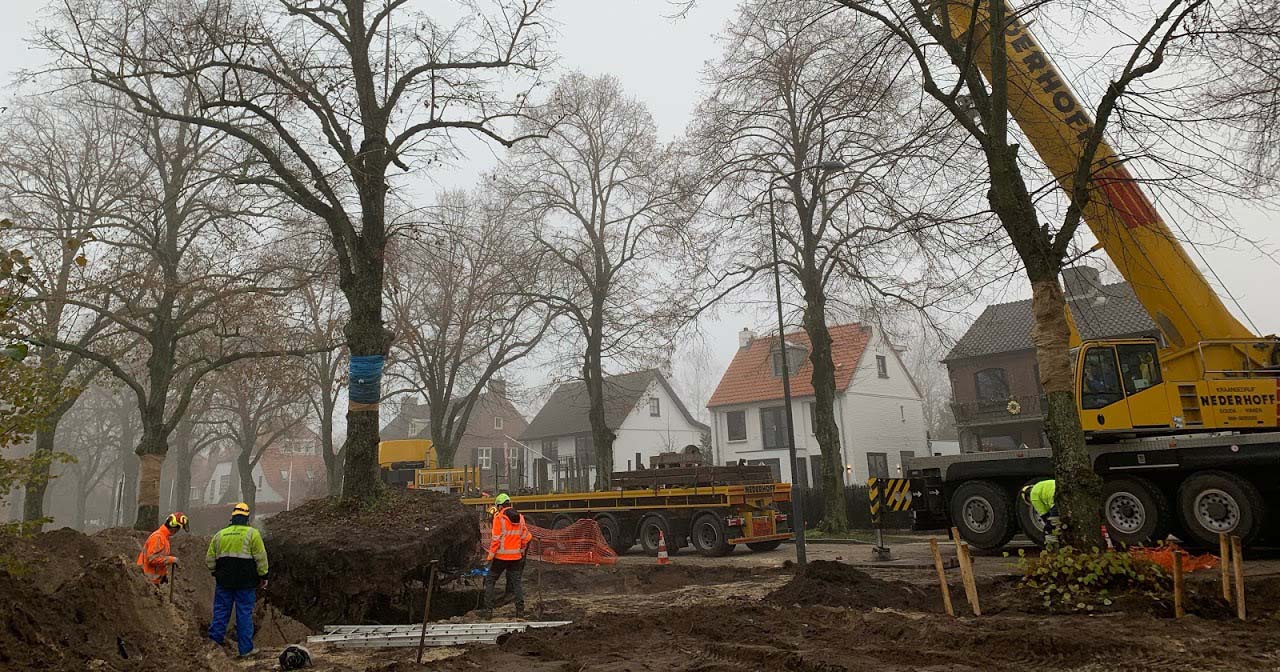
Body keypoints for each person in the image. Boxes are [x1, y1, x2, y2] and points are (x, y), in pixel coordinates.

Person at [206, 502, 269, 658]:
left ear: (232, 518)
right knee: (244, 615)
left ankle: (214, 646)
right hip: (246, 583)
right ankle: (246, 650)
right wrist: (264, 576)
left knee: (220, 612)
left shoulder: (219, 535)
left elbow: (209, 559)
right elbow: (261, 558)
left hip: (224, 582)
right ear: (247, 518)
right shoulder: (252, 534)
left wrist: (216, 572)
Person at [482, 493, 532, 619]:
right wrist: (521, 550)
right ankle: (520, 611)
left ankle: (488, 611)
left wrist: (490, 556)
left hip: (500, 558)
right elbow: (526, 537)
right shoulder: (520, 517)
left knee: (490, 580)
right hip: (516, 558)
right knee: (516, 583)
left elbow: (496, 539)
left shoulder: (499, 518)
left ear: (499, 506)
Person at [137, 512, 188, 585]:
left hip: (151, 581)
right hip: (145, 581)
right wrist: (171, 559)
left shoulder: (164, 538)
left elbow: (160, 558)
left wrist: (163, 574)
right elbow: (152, 559)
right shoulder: (158, 537)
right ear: (175, 527)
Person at [1020, 480, 1060, 547]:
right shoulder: (1040, 485)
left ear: (1027, 497)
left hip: (1056, 499)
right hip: (1063, 492)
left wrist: (1048, 527)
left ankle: (1053, 546)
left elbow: (1044, 515)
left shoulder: (1033, 496)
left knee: (1051, 526)